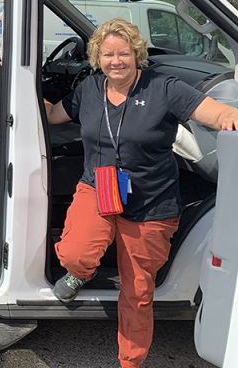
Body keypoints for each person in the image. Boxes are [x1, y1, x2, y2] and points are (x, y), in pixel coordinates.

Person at [44, 18, 238, 368]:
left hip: (152, 201)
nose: (116, 61)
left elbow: (213, 112)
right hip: (98, 187)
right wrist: (6, 80)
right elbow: (54, 114)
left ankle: (130, 362)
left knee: (137, 290)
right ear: (97, 58)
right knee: (74, 253)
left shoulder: (163, 87)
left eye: (124, 54)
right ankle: (80, 273)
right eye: (108, 55)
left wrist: (229, 116)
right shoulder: (89, 89)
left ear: (137, 54)